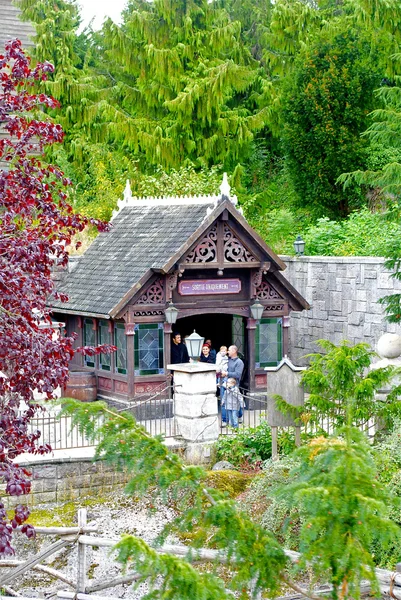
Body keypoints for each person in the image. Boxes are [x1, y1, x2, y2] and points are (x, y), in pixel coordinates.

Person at [221, 345, 245, 422]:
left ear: (234, 351)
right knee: (223, 401)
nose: (228, 352)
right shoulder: (228, 360)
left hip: (233, 385)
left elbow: (238, 374)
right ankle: (225, 420)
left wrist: (227, 373)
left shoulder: (239, 362)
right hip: (224, 383)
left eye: (229, 350)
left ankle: (239, 415)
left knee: (235, 402)